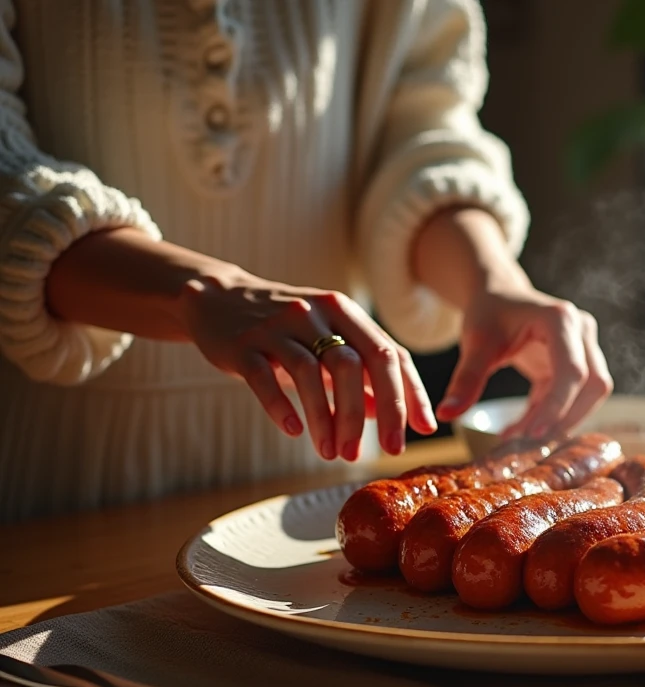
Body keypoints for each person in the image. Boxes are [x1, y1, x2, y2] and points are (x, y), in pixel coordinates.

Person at [0, 0, 612, 523]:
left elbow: (421, 132)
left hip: (322, 493)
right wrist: (200, 293)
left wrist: (491, 280)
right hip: (58, 501)